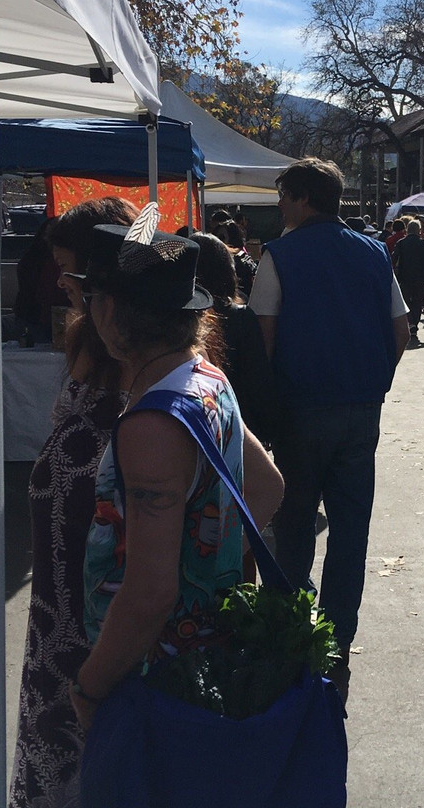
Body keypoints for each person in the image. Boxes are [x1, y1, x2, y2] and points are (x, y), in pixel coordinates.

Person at [72, 212, 285, 733]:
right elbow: (266, 486)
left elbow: (150, 591)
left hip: (153, 677)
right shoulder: (204, 377)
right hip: (199, 656)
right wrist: (208, 570)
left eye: (88, 298)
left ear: (111, 309)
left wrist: (89, 688)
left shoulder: (154, 424)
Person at [249, 157, 410, 703]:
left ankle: (296, 635)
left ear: (300, 198)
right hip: (361, 409)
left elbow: (263, 339)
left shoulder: (280, 256)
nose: (279, 208)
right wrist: (377, 381)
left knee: (292, 526)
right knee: (350, 529)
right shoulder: (373, 252)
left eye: (282, 198)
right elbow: (401, 331)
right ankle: (337, 642)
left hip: (300, 409)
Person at [9, 197, 139, 808]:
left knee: (98, 762)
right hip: (58, 594)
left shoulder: (143, 363)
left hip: (96, 604)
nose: (58, 280)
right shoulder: (86, 336)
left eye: (69, 269)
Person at [191, 231, 278, 446]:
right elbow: (257, 378)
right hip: (238, 425)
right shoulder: (240, 316)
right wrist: (268, 428)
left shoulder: (177, 318)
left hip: (195, 422)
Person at [11, 217, 70, 342]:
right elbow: (47, 293)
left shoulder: (32, 256)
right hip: (43, 318)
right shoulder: (47, 260)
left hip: (30, 315)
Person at [391, 218, 424, 348]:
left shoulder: (401, 243)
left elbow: (393, 259)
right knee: (417, 303)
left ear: (407, 230)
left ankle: (410, 323)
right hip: (420, 278)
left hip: (405, 278)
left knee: (405, 302)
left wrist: (394, 273)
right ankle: (414, 325)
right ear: (419, 230)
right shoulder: (423, 243)